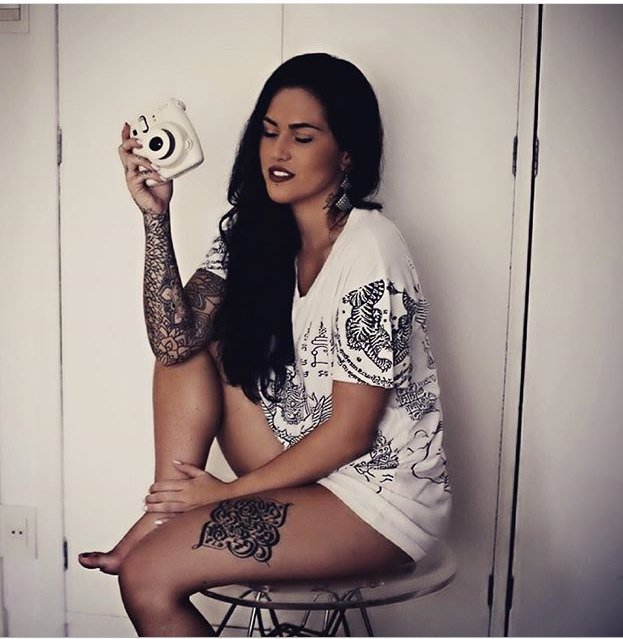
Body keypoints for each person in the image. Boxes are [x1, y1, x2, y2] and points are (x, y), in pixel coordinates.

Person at [78, 52, 451, 636]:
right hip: (297, 459)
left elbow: (352, 433)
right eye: (269, 132)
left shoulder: (370, 249)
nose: (278, 152)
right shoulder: (254, 234)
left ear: (347, 153)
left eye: (302, 137)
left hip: (377, 500)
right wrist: (155, 217)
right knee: (194, 346)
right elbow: (174, 341)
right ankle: (163, 512)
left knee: (147, 577)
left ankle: (172, 514)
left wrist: (225, 493)